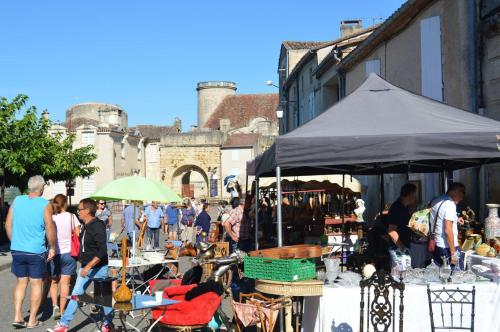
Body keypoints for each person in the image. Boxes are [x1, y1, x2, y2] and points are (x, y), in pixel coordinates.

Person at [48, 198, 114, 332]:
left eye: (80, 209)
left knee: (103, 297)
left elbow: (102, 250)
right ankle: (64, 325)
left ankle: (108, 324)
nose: (78, 212)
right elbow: (85, 246)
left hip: (98, 267)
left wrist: (88, 266)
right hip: (86, 267)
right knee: (76, 295)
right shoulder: (86, 225)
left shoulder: (97, 225)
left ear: (88, 211)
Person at [5, 175, 56, 329]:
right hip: (35, 251)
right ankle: (32, 319)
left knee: (21, 282)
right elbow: (49, 227)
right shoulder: (45, 204)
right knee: (36, 283)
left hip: (17, 249)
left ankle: (18, 316)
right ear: (41, 188)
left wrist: (14, 242)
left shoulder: (17, 200)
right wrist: (52, 247)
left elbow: (8, 224)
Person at [47, 194, 80, 319]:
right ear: (65, 203)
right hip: (69, 253)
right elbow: (77, 233)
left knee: (54, 281)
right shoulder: (72, 217)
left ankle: (54, 306)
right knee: (65, 284)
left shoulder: (51, 217)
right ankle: (62, 311)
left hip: (53, 252)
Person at [430, 182, 466, 267]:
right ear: (456, 191)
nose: (462, 198)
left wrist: (456, 219)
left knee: (440, 275)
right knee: (457, 276)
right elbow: (448, 230)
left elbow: (439, 217)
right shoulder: (450, 204)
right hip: (447, 247)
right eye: (463, 193)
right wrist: (453, 252)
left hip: (437, 244)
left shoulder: (437, 200)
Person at [387, 183, 421, 265]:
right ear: (410, 194)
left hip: (402, 247)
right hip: (397, 249)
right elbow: (391, 231)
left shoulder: (405, 207)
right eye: (415, 194)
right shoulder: (397, 208)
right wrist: (403, 248)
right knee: (399, 274)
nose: (416, 197)